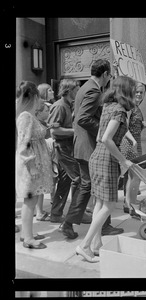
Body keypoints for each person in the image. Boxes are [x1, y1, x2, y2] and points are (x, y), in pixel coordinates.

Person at [75, 76, 136, 262]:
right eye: (132, 89)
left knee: (100, 204)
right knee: (108, 205)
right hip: (106, 159)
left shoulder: (109, 106)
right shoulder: (119, 110)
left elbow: (103, 136)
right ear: (127, 90)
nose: (134, 92)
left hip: (97, 157)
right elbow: (107, 138)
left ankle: (96, 244)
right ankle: (85, 246)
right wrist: (123, 160)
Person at [73, 59, 123, 236]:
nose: (109, 79)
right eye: (109, 75)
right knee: (98, 190)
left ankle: (91, 226)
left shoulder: (85, 87)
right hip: (89, 146)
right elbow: (82, 118)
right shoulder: (93, 90)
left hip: (82, 145)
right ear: (105, 74)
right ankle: (75, 223)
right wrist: (103, 130)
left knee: (92, 189)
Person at [16, 81, 54, 249]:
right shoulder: (25, 116)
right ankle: (28, 238)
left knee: (30, 201)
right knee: (30, 201)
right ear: (33, 97)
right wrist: (32, 166)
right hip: (30, 166)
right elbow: (24, 145)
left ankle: (26, 233)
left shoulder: (28, 115)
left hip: (33, 164)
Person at [48, 79, 82, 238]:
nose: (79, 91)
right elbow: (54, 132)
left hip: (67, 147)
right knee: (79, 180)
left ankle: (56, 213)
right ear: (68, 90)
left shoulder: (68, 105)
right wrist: (74, 131)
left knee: (66, 180)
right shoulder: (60, 106)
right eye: (77, 88)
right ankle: (75, 214)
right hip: (64, 148)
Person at [120, 82, 146, 213]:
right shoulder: (130, 106)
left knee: (133, 175)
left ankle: (129, 203)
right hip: (129, 144)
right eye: (136, 91)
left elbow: (134, 127)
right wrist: (133, 141)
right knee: (135, 175)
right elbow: (124, 126)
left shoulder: (137, 107)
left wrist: (142, 125)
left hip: (136, 142)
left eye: (141, 92)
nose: (139, 94)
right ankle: (130, 204)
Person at [34, 100, 53, 221]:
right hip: (37, 158)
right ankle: (39, 212)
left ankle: (39, 210)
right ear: (39, 112)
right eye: (46, 111)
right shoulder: (34, 123)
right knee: (38, 186)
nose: (49, 113)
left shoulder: (40, 122)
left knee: (39, 187)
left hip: (40, 157)